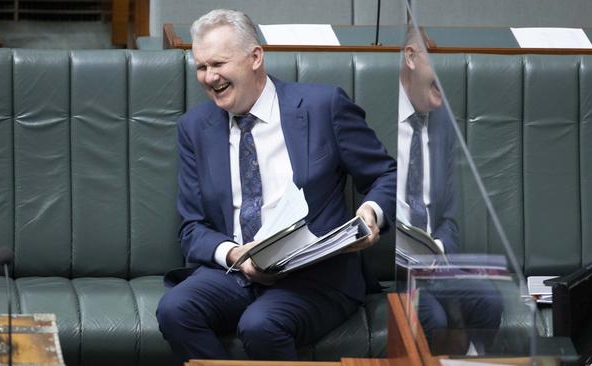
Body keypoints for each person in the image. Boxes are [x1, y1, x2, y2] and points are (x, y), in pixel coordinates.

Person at [156, 9, 396, 364]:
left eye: (218, 63)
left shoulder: (322, 106)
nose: (209, 77)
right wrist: (237, 255)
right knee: (175, 310)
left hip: (318, 275)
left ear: (255, 57)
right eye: (201, 67)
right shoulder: (195, 127)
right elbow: (192, 228)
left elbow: (385, 175)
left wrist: (371, 213)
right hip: (238, 271)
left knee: (261, 325)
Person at [398, 24, 502, 354]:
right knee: (433, 318)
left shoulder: (442, 122)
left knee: (489, 301)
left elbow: (450, 216)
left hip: (436, 265)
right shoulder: (376, 112)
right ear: (411, 58)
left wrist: (437, 253)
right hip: (393, 266)